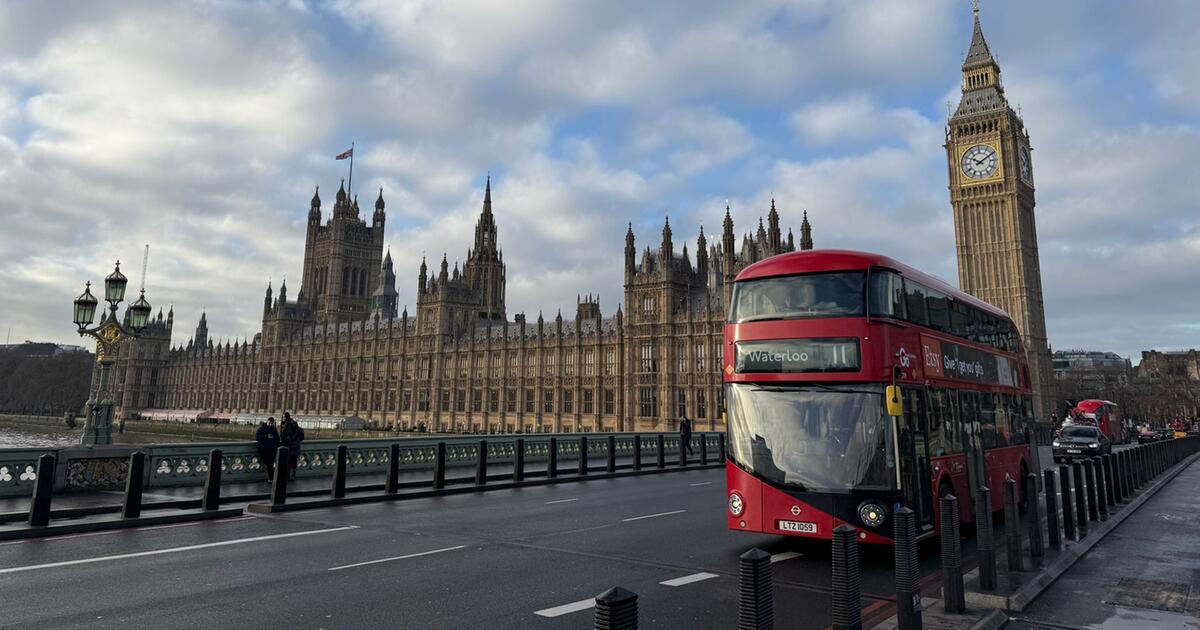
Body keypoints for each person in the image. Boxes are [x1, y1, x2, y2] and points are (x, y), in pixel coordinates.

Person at [280, 412, 305, 481]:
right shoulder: (290, 422)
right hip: (293, 445)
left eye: (283, 417)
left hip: (292, 445)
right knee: (291, 461)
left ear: (286, 417)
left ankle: (290, 475)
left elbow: (293, 434)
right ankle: (290, 475)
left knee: (291, 461)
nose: (282, 418)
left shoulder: (290, 424)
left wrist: (288, 440)